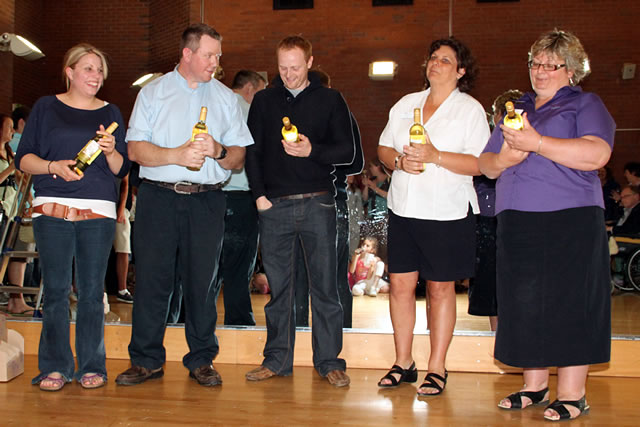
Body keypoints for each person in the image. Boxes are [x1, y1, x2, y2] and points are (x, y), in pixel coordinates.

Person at [479, 29, 615, 421]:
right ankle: (534, 386)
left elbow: (597, 153)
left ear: (570, 70)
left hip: (569, 217)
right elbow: (486, 164)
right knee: (523, 304)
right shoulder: (515, 109)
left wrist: (537, 143)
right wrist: (505, 158)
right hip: (517, 219)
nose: (539, 71)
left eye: (550, 65)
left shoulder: (585, 103)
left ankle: (573, 394)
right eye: (535, 64)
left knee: (571, 304)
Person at [115, 23, 253, 388]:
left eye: (218, 55)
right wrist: (177, 154)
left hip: (207, 200)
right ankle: (145, 360)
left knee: (202, 283)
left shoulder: (226, 98)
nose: (216, 62)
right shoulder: (153, 93)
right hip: (158, 197)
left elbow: (238, 157)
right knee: (152, 281)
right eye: (209, 55)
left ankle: (201, 359)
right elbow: (134, 149)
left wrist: (218, 151)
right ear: (187, 54)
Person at [376, 37, 490, 395]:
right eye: (432, 58)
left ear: (460, 71)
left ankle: (437, 366)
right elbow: (382, 147)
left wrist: (436, 155)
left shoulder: (469, 110)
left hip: (447, 213)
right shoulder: (406, 103)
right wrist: (398, 161)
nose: (435, 64)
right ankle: (404, 361)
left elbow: (481, 164)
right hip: (404, 208)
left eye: (445, 60)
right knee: (399, 286)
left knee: (441, 289)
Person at [15, 43, 130, 391]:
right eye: (88, 68)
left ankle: (92, 365)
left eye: (99, 70)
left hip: (98, 211)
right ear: (70, 72)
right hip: (52, 207)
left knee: (93, 292)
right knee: (55, 291)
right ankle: (55, 365)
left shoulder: (111, 113)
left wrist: (110, 152)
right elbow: (24, 159)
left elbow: (122, 167)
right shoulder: (46, 108)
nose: (96, 76)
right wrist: (53, 167)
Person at [244, 35, 354, 387]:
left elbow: (347, 151)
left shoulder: (331, 99)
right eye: (282, 68)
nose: (288, 75)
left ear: (309, 62)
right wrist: (259, 196)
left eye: (295, 67)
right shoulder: (263, 101)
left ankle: (329, 361)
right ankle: (277, 359)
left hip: (318, 203)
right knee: (280, 291)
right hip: (274, 206)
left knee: (325, 289)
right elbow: (253, 152)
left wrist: (313, 151)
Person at [293, 68, 364, 328]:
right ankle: (337, 335)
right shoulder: (340, 115)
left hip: (331, 201)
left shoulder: (337, 113)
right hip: (322, 201)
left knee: (319, 276)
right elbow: (356, 164)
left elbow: (354, 160)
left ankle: (333, 336)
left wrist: (318, 155)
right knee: (326, 276)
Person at [468, 89, 522, 332]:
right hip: (495, 216)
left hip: (497, 217)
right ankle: (499, 336)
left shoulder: (497, 142)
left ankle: (501, 335)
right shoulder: (489, 142)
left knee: (494, 281)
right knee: (495, 282)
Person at [216, 70, 266, 326]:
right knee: (239, 265)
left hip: (211, 195)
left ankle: (197, 321)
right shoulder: (248, 111)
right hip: (241, 195)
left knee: (209, 264)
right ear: (249, 89)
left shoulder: (216, 105)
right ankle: (238, 322)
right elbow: (259, 156)